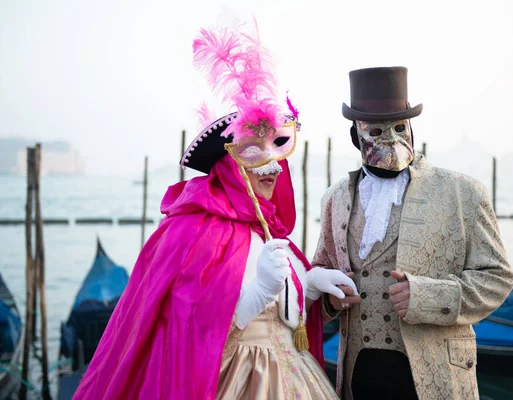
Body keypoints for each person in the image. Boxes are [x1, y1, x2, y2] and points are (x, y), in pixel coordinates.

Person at [72, 20, 353, 400]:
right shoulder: (193, 230)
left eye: (277, 153)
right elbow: (188, 324)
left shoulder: (266, 229)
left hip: (295, 372)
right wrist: (257, 292)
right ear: (229, 165)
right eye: (254, 153)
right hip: (235, 378)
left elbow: (286, 307)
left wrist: (312, 285)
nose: (271, 168)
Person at [312, 66, 513, 400]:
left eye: (400, 126)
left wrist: (429, 296)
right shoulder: (336, 198)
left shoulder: (462, 192)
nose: (391, 139)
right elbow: (320, 273)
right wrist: (331, 299)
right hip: (359, 375)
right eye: (377, 130)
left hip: (435, 376)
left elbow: (497, 279)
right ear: (356, 136)